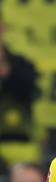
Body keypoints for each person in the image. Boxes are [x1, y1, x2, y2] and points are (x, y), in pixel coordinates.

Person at [0, 12, 39, 144]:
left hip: (17, 139)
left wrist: (8, 74)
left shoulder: (21, 65)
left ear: (3, 27)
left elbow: (33, 93)